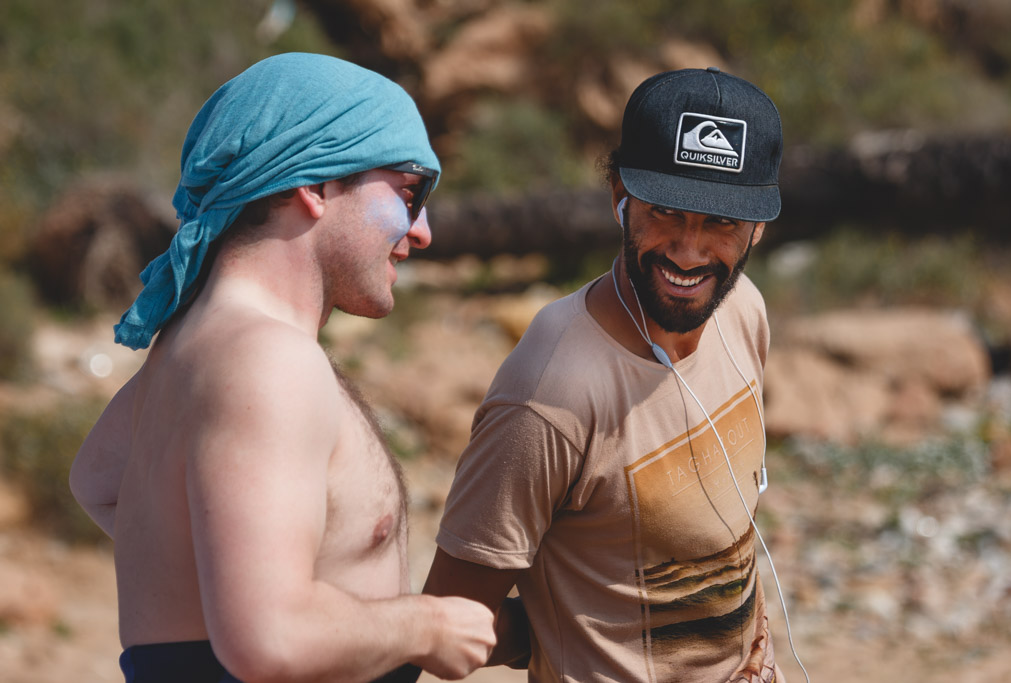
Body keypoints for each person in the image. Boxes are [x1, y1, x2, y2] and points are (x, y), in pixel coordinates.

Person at [69, 53, 496, 683]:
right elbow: (269, 640)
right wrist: (427, 626)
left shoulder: (189, 350)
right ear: (314, 185)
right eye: (410, 192)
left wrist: (218, 571)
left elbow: (95, 481)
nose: (423, 229)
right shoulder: (267, 362)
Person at [422, 67, 796, 682]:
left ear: (758, 224)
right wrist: (559, 630)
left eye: (721, 222)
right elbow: (447, 618)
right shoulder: (551, 393)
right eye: (666, 212)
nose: (687, 249)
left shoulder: (744, 312)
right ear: (618, 193)